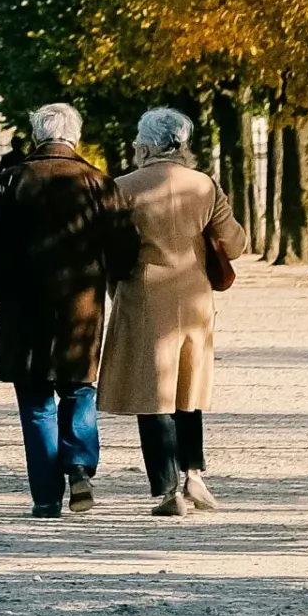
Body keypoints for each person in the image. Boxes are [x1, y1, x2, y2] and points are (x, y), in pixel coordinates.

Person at [0, 102, 137, 517]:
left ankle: (46, 496)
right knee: (80, 387)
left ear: (37, 135)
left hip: (23, 309)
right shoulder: (99, 183)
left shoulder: (10, 181)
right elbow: (123, 246)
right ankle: (79, 464)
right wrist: (111, 276)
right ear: (74, 137)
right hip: (80, 307)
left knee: (36, 401)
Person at [98, 105, 245, 515]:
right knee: (189, 387)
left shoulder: (123, 186)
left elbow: (108, 247)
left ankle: (167, 491)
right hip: (195, 297)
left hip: (144, 296)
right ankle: (194, 473)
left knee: (153, 394)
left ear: (145, 145)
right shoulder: (205, 186)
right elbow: (234, 244)